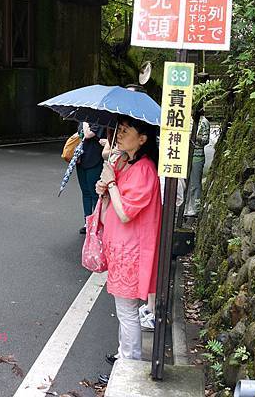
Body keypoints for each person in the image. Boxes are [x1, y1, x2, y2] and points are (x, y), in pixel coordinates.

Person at [95, 116, 162, 371]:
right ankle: (125, 356)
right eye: (119, 130)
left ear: (142, 139)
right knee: (125, 312)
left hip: (131, 252)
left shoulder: (144, 170)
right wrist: (106, 186)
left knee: (127, 312)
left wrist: (111, 183)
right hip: (123, 249)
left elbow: (125, 213)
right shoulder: (127, 164)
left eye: (126, 130)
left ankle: (129, 364)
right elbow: (112, 206)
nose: (119, 134)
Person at [76, 122, 104, 234]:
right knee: (85, 192)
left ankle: (96, 222)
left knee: (94, 193)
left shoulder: (99, 120)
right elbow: (80, 135)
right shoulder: (82, 119)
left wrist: (85, 122)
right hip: (81, 159)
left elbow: (87, 134)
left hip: (95, 160)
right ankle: (87, 222)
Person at [184, 109, 210, 217]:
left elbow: (206, 140)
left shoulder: (204, 122)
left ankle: (195, 208)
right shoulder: (187, 120)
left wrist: (194, 137)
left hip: (197, 157)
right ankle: (185, 207)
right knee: (185, 184)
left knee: (195, 184)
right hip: (186, 156)